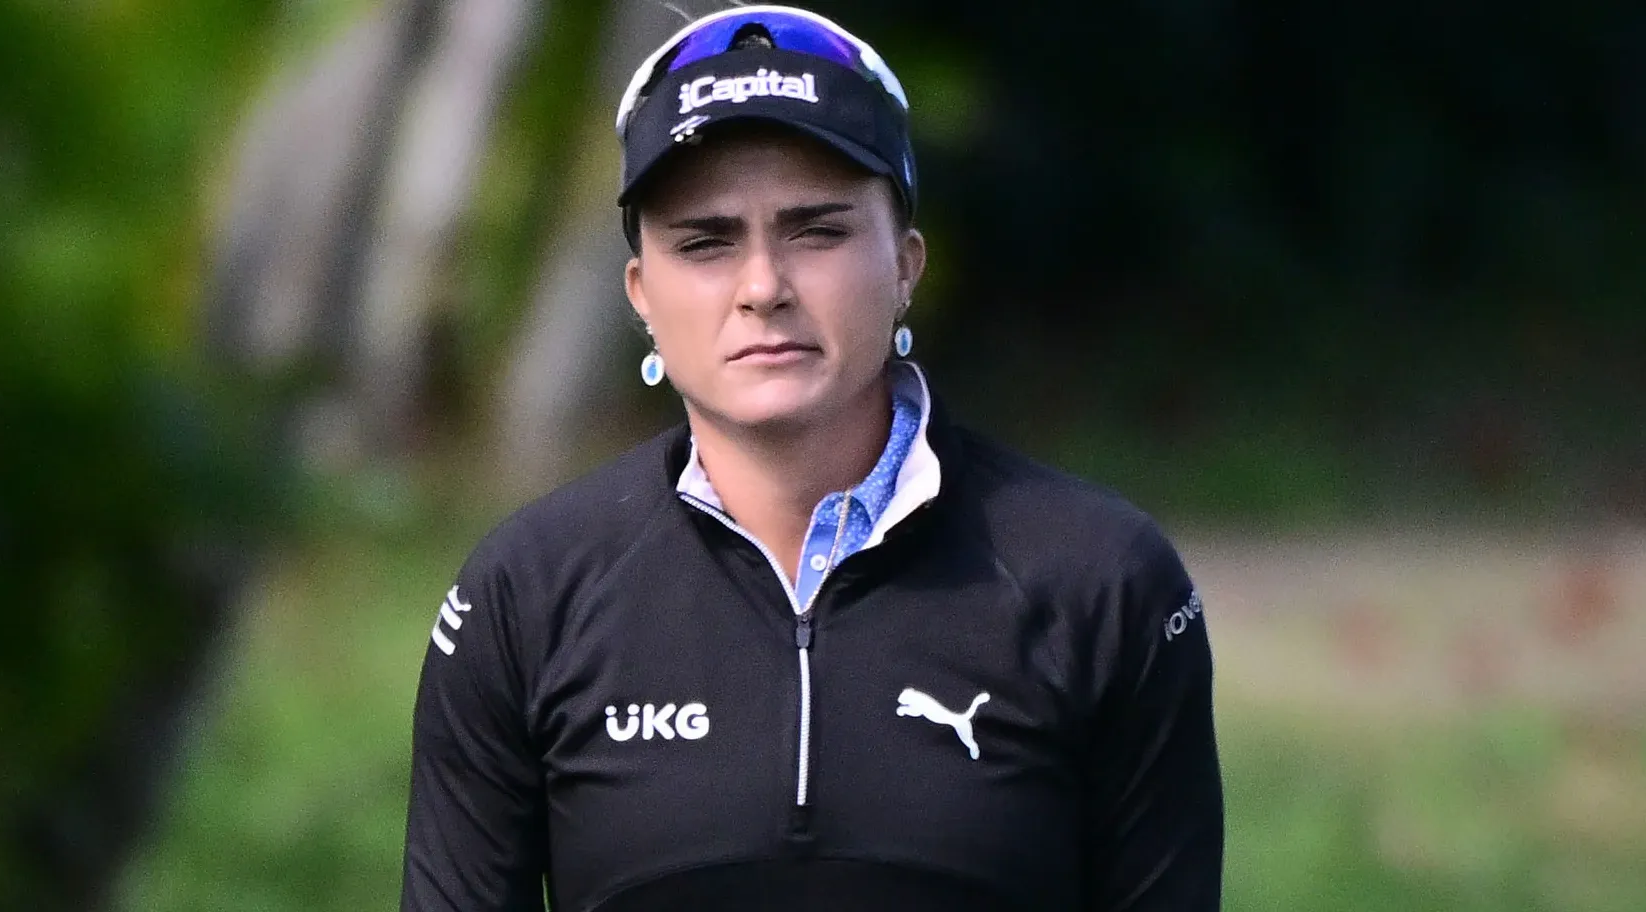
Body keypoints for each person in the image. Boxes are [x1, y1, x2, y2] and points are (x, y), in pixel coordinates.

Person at [400, 6, 1223, 910]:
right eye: (705, 242)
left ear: (906, 263)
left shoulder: (1103, 581)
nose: (762, 288)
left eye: (818, 231)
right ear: (641, 292)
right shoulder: (524, 597)